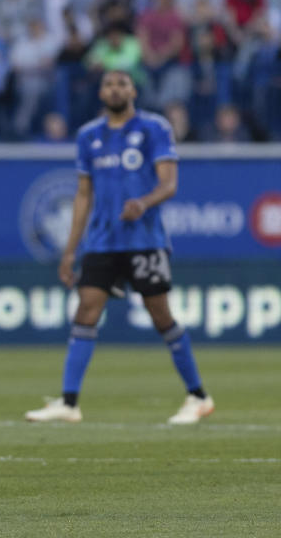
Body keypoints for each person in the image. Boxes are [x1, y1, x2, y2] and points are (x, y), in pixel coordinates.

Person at [25, 70, 213, 425]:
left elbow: (169, 184)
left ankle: (198, 396)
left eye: (121, 83)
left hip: (145, 239)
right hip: (102, 240)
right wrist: (69, 250)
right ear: (100, 92)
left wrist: (143, 203)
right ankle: (69, 402)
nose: (115, 89)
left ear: (133, 90)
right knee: (86, 311)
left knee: (161, 316)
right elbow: (82, 195)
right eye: (109, 84)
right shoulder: (88, 135)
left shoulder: (154, 128)